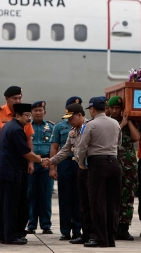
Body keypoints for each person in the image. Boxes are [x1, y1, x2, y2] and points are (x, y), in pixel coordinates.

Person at [0, 86, 34, 242]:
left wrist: (30, 162)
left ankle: (12, 231)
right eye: (15, 98)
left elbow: (28, 139)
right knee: (8, 200)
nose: (18, 100)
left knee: (19, 200)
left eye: (20, 97)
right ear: (7, 99)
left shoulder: (23, 115)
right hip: (7, 159)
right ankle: (7, 232)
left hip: (19, 159)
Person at [0, 103, 47, 245]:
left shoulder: (7, 126)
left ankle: (0, 234)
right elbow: (25, 152)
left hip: (3, 172)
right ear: (17, 116)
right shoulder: (17, 129)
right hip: (11, 173)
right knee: (11, 205)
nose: (29, 118)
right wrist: (41, 160)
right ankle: (10, 236)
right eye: (27, 115)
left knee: (3, 205)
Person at [76, 97, 122, 248]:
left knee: (97, 202)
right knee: (112, 203)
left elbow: (82, 147)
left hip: (97, 164)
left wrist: (81, 163)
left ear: (92, 109)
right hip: (114, 163)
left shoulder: (91, 125)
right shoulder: (115, 123)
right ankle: (111, 238)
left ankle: (99, 238)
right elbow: (119, 143)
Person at [46, 103, 89, 245]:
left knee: (80, 198)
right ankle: (65, 230)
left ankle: (78, 229)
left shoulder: (90, 126)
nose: (69, 121)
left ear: (79, 114)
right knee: (65, 197)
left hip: (83, 165)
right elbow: (60, 148)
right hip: (66, 164)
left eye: (71, 117)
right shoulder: (65, 128)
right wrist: (52, 164)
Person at [107, 96, 140, 240]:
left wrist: (128, 122)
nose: (115, 111)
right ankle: (112, 227)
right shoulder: (107, 123)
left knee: (128, 196)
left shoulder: (128, 122)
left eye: (118, 108)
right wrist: (121, 125)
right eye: (113, 108)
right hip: (113, 163)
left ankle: (124, 228)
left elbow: (136, 137)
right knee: (113, 196)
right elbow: (107, 138)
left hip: (129, 164)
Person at [26, 101, 54, 235]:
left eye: (40, 110)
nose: (38, 112)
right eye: (35, 110)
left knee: (46, 195)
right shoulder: (26, 126)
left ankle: (46, 225)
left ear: (45, 112)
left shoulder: (51, 127)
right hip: (30, 164)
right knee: (31, 195)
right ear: (31, 112)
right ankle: (31, 225)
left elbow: (55, 146)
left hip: (46, 163)